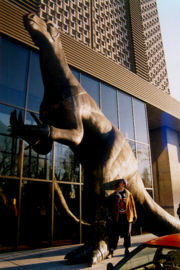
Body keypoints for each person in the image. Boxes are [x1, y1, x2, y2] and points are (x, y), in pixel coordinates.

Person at [108, 178, 137, 257]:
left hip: (127, 216)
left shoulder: (128, 193)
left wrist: (134, 215)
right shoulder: (115, 194)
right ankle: (112, 249)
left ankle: (127, 249)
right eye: (120, 184)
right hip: (118, 217)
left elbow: (132, 205)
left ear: (124, 184)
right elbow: (111, 206)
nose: (121, 185)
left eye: (122, 184)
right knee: (115, 233)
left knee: (127, 233)